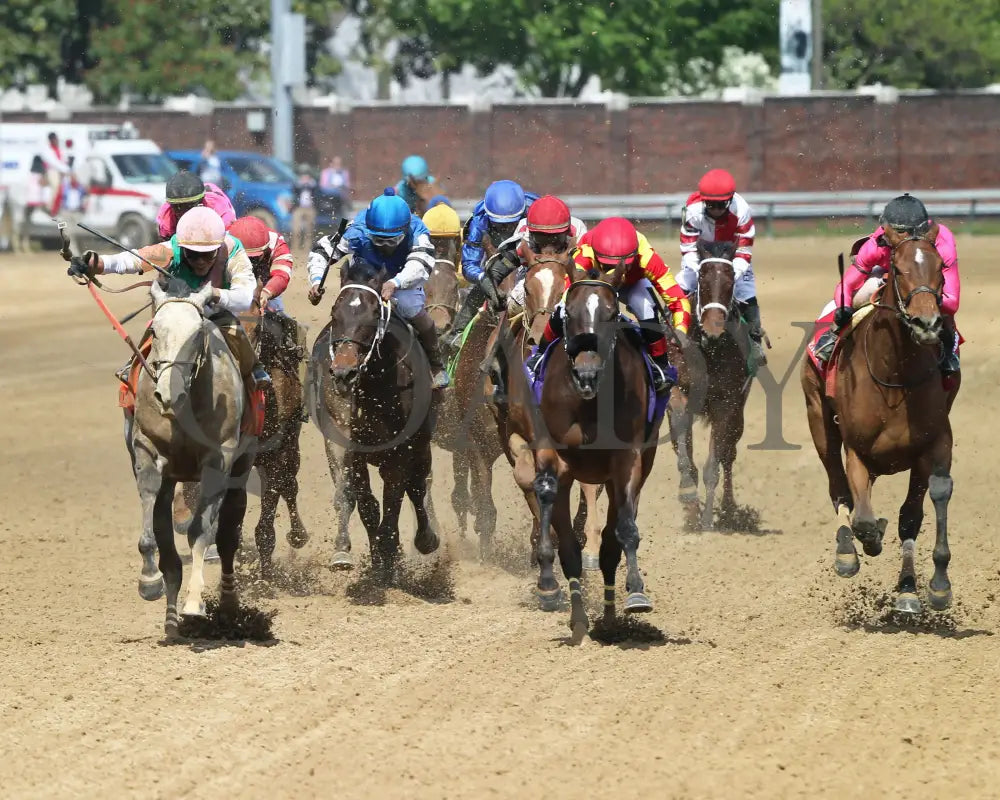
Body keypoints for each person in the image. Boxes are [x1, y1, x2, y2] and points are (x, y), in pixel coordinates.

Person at [67, 206, 270, 390]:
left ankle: (254, 368)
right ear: (182, 247)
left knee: (234, 329)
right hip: (177, 312)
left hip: (217, 314)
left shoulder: (233, 249)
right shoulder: (170, 250)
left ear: (218, 248)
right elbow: (130, 260)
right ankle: (134, 366)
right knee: (155, 326)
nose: (200, 262)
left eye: (207, 255)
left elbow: (244, 297)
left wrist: (213, 294)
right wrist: (94, 263)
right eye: (192, 254)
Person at [528, 217, 691, 395]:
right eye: (607, 265)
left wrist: (681, 329)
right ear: (596, 255)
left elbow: (677, 299)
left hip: (632, 284)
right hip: (595, 281)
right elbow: (569, 293)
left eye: (621, 266)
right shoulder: (585, 251)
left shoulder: (648, 257)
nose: (615, 273)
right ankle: (540, 354)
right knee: (562, 308)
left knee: (645, 307)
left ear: (635, 255)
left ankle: (660, 365)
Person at [306, 188, 450, 389]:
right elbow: (322, 251)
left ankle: (436, 365)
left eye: (392, 241)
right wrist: (316, 280)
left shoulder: (418, 230)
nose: (385, 246)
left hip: (403, 279)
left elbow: (421, 263)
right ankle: (318, 367)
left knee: (410, 307)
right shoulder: (357, 229)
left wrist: (395, 283)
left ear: (405, 230)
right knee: (347, 310)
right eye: (378, 240)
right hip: (366, 278)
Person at [812, 193, 961, 374]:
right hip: (887, 273)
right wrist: (844, 308)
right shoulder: (877, 244)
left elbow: (952, 301)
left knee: (941, 313)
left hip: (924, 276)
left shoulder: (942, 243)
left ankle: (948, 348)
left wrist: (923, 298)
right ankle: (833, 335)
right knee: (840, 305)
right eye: (898, 235)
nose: (904, 241)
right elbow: (846, 286)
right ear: (886, 231)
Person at [678, 168, 768, 365]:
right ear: (703, 201)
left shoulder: (742, 210)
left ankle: (755, 341)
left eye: (721, 205)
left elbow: (744, 252)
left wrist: (728, 275)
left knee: (746, 292)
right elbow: (688, 248)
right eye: (711, 204)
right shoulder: (692, 211)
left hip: (732, 256)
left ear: (730, 200)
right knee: (680, 288)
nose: (716, 209)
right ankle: (665, 330)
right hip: (702, 256)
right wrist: (703, 271)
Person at [445, 179, 539, 350]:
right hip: (498, 261)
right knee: (483, 287)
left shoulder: (536, 211)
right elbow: (469, 265)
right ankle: (456, 335)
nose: (506, 229)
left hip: (529, 258)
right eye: (499, 225)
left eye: (511, 223)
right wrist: (482, 277)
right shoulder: (479, 220)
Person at [504, 195, 588, 312]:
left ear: (567, 231)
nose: (549, 245)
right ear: (531, 233)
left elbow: (581, 270)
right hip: (531, 272)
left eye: (554, 237)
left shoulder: (579, 231)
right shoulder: (523, 232)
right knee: (513, 304)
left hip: (567, 274)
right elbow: (508, 262)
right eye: (542, 238)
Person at [157, 170, 236, 240]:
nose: (183, 212)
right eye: (177, 207)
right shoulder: (166, 219)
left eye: (188, 206)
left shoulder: (221, 210)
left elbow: (230, 242)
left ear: (202, 200)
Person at [42, 132, 71, 216]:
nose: (56, 141)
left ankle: (58, 208)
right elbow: (53, 162)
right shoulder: (47, 150)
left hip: (62, 171)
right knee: (55, 186)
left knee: (63, 189)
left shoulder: (60, 148)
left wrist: (65, 169)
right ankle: (49, 207)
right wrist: (65, 169)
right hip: (52, 170)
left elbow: (64, 159)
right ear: (51, 140)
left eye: (57, 139)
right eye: (55, 139)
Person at [291, 164, 318, 253]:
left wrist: (309, 183)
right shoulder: (297, 184)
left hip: (310, 208)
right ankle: (295, 247)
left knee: (309, 229)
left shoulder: (313, 184)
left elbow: (317, 192)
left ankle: (307, 248)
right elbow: (294, 190)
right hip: (299, 208)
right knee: (296, 229)